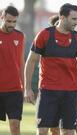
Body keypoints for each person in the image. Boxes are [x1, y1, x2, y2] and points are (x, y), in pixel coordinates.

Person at [24, 3, 77, 135]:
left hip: (70, 93)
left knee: (68, 132)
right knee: (43, 130)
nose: (76, 22)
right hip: (48, 91)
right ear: (62, 17)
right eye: (73, 19)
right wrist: (27, 88)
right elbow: (31, 61)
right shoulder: (44, 35)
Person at [47, 14, 77, 135]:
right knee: (54, 128)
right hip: (52, 91)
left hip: (71, 91)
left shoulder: (74, 43)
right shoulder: (49, 48)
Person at [0, 5, 25, 135]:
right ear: (2, 17)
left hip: (14, 90)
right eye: (8, 21)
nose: (11, 24)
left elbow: (21, 62)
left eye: (14, 21)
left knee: (15, 126)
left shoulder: (20, 36)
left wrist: (25, 87)